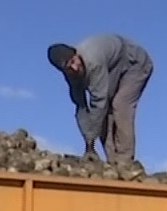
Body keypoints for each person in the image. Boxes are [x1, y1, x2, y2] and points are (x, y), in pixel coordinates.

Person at [47, 33, 153, 164]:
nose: (74, 68)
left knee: (120, 105)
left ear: (76, 54)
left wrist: (91, 139)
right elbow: (81, 106)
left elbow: (99, 102)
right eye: (68, 67)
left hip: (135, 63)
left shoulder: (93, 61)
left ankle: (125, 162)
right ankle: (112, 161)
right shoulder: (71, 74)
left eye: (74, 62)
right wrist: (88, 144)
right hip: (114, 66)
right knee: (103, 111)